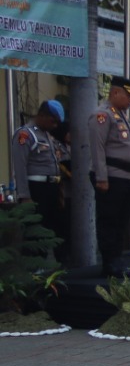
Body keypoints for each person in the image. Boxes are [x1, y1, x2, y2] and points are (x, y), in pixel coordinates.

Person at [89, 77, 130, 274]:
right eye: (128, 95)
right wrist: (101, 177)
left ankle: (117, 259)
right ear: (116, 93)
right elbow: (98, 146)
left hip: (127, 177)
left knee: (122, 221)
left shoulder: (120, 115)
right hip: (111, 176)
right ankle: (109, 261)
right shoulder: (102, 115)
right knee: (109, 220)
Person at [14, 100, 69, 252]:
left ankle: (46, 269)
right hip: (36, 189)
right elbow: (20, 166)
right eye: (53, 121)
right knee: (35, 232)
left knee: (48, 230)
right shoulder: (25, 134)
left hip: (51, 188)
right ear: (42, 115)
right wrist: (24, 195)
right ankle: (35, 270)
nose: (55, 126)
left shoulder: (46, 135)